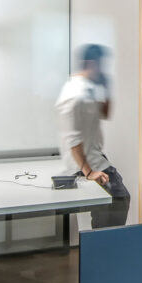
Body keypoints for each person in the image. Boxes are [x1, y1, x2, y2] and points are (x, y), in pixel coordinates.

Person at [56, 44, 130, 228]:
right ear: (91, 63)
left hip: (96, 157)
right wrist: (88, 172)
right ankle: (102, 251)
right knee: (118, 199)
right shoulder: (75, 93)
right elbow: (73, 138)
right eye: (101, 64)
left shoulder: (88, 88)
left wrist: (106, 89)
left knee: (118, 201)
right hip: (85, 164)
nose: (104, 69)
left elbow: (105, 113)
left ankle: (103, 249)